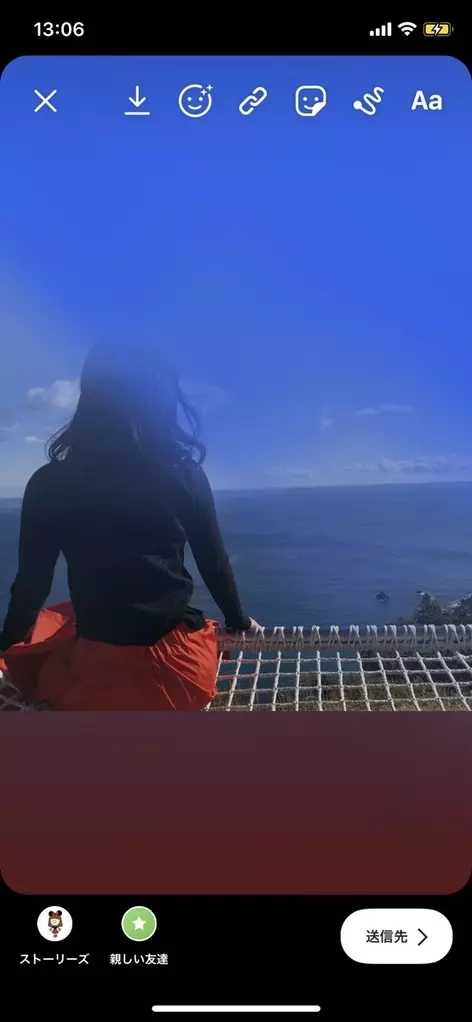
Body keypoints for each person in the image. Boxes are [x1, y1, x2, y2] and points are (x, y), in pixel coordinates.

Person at [0, 341, 260, 710]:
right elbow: (214, 563)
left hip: (96, 680)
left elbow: (32, 584)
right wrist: (238, 620)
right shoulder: (184, 475)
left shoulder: (48, 483)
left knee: (58, 622)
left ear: (89, 397)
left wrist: (6, 647)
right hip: (179, 674)